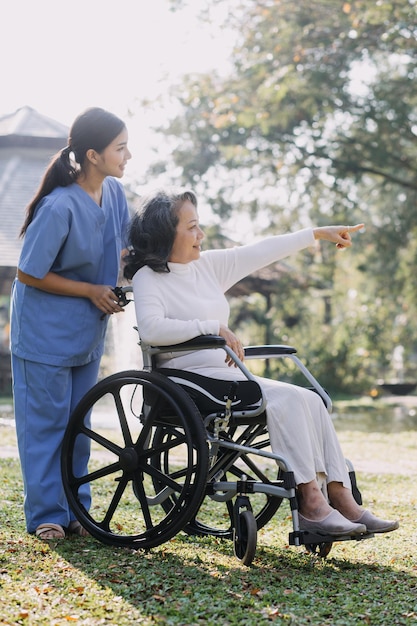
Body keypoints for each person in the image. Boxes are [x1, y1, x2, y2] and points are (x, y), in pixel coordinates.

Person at [124, 188, 399, 537]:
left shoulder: (207, 266)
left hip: (225, 374)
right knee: (284, 400)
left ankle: (342, 498)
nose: (201, 235)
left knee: (310, 399)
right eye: (192, 227)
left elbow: (260, 251)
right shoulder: (150, 276)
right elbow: (151, 328)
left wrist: (315, 234)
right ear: (167, 233)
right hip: (187, 378)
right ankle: (312, 506)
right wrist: (213, 328)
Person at [10, 107, 132, 541]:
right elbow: (28, 272)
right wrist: (89, 292)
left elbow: (125, 248)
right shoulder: (59, 205)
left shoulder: (115, 195)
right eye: (121, 148)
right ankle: (46, 515)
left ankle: (76, 507)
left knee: (79, 426)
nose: (128, 155)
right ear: (94, 155)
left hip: (85, 332)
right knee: (45, 426)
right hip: (44, 332)